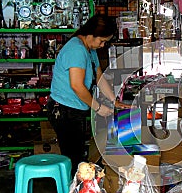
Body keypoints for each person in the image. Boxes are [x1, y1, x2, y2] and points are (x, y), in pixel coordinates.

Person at [46, 14, 130, 175]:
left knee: (77, 155)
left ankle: (77, 192)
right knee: (74, 158)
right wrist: (98, 107)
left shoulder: (89, 49)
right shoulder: (77, 50)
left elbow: (99, 77)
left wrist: (114, 101)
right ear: (91, 34)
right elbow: (77, 86)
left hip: (74, 109)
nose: (103, 45)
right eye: (102, 41)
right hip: (63, 111)